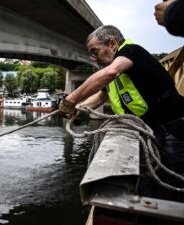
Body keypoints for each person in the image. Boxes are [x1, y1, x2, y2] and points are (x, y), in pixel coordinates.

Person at [59, 25, 184, 176]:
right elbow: (101, 96)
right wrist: (77, 109)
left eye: (95, 51)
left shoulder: (131, 51)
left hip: (172, 130)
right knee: (156, 174)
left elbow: (111, 73)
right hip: (151, 130)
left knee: (174, 177)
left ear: (112, 44)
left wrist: (71, 100)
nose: (93, 58)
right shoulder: (115, 69)